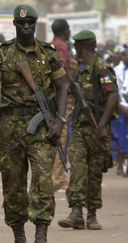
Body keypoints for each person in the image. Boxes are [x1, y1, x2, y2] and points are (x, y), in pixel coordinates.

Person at [0, 5, 67, 243]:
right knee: (13, 182)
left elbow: (61, 88)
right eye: (22, 23)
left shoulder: (48, 53)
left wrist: (59, 121)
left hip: (40, 125)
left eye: (31, 23)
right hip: (10, 126)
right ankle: (18, 232)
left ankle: (41, 231)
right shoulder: (3, 53)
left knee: (42, 179)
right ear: (15, 25)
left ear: (36, 24)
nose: (27, 27)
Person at [58, 30, 118, 231]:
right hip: (79, 127)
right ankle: (76, 212)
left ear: (82, 47)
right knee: (77, 167)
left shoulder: (101, 68)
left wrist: (101, 125)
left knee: (94, 172)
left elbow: (112, 97)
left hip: (97, 129)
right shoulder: (78, 69)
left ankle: (92, 214)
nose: (74, 49)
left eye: (76, 46)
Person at [51, 18, 72, 191]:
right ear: (66, 31)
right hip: (62, 97)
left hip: (52, 96)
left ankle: (55, 176)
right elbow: (63, 74)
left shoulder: (50, 46)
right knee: (61, 136)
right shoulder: (61, 47)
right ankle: (58, 178)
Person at [112, 47, 128, 176]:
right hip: (121, 107)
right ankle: (120, 164)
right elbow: (115, 91)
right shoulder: (116, 71)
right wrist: (122, 106)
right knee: (120, 136)